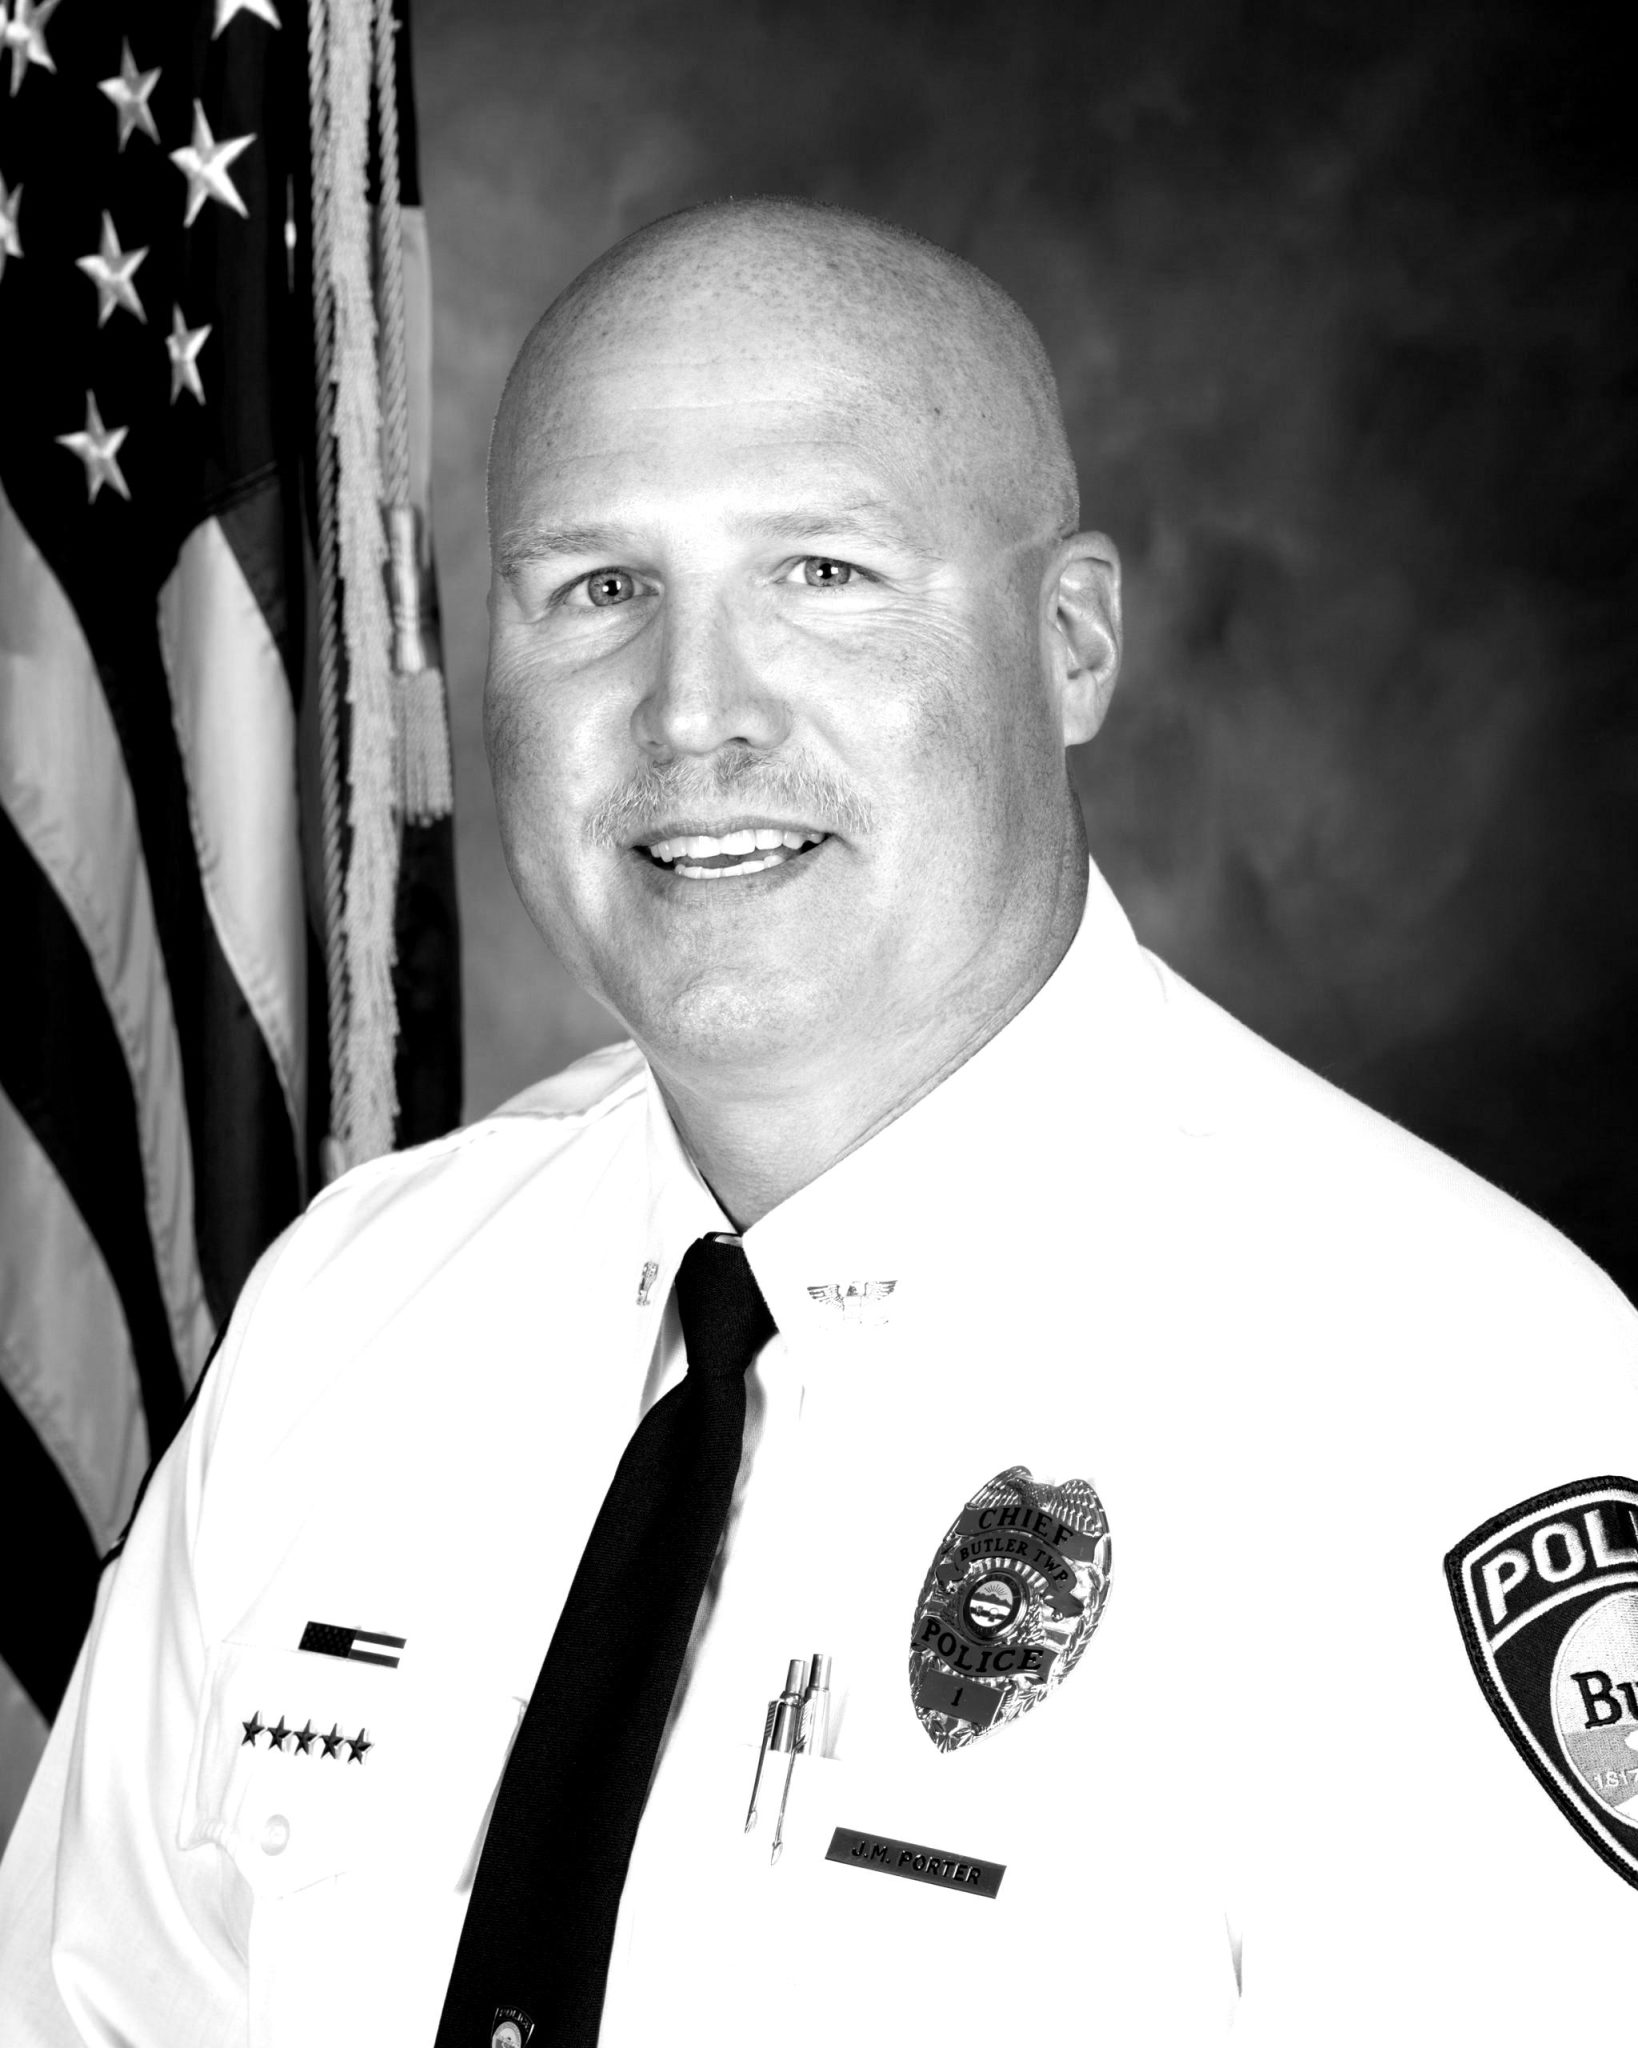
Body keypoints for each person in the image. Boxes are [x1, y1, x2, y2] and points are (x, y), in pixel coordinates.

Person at [2, 196, 1635, 2047]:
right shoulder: (354, 1311)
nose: (693, 715)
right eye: (596, 590)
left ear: (1070, 641)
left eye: (823, 573)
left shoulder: (1448, 1393)